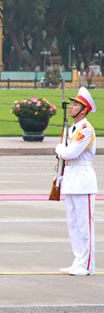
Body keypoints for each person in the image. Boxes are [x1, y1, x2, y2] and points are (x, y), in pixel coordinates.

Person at [56, 87, 97, 276]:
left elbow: (69, 153)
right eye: (72, 103)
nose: (71, 107)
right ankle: (78, 260)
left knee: (84, 225)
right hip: (71, 178)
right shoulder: (73, 129)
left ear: (84, 110)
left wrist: (59, 149)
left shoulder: (86, 130)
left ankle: (87, 265)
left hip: (82, 179)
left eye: (75, 104)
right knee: (73, 224)